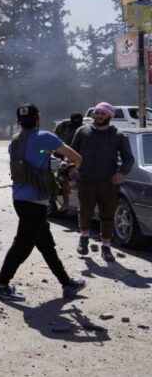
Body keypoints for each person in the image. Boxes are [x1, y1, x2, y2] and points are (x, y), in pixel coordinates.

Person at [0, 103, 87, 302]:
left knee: (46, 245)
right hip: (35, 201)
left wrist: (46, 155)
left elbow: (30, 161)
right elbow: (77, 158)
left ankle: (67, 284)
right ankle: (0, 285)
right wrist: (69, 167)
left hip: (20, 198)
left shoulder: (14, 141)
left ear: (18, 121)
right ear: (38, 119)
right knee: (22, 244)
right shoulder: (45, 137)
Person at [70, 102, 134, 261]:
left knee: (107, 214)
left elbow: (128, 159)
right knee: (85, 211)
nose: (98, 116)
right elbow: (72, 152)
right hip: (86, 180)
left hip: (108, 183)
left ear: (110, 116)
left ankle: (106, 247)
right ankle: (83, 238)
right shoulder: (82, 131)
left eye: (103, 113)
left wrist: (121, 173)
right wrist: (70, 166)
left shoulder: (119, 135)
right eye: (97, 113)